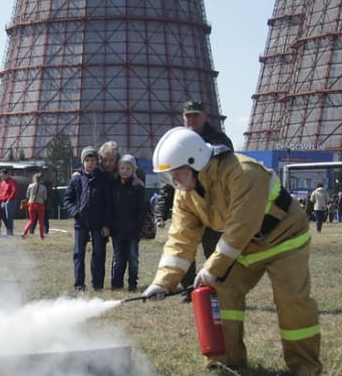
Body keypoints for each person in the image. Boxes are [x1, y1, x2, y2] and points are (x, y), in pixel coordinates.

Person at [142, 127, 322, 376]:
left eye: (177, 174)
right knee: (220, 294)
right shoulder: (185, 194)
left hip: (284, 239)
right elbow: (181, 238)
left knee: (291, 301)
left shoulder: (244, 173)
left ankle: (306, 368)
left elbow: (240, 227)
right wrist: (163, 282)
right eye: (169, 177)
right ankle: (227, 361)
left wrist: (212, 268)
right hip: (243, 247)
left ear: (195, 163)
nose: (175, 182)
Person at [155, 100, 234, 302]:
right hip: (188, 206)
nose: (191, 119)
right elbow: (169, 181)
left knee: (214, 251)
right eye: (188, 116)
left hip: (213, 208)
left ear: (204, 117)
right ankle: (189, 289)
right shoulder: (176, 142)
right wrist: (160, 211)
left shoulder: (219, 140)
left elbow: (226, 174)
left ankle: (217, 291)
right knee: (183, 248)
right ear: (183, 118)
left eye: (196, 115)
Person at [63, 146, 113, 291]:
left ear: (97, 162)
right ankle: (79, 285)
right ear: (83, 162)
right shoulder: (76, 179)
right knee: (79, 254)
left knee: (99, 253)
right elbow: (67, 200)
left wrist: (106, 224)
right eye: (87, 160)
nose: (90, 163)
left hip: (98, 223)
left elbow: (108, 204)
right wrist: (76, 212)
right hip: (81, 222)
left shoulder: (103, 180)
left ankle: (98, 284)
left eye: (93, 160)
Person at [110, 154, 148, 291]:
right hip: (117, 231)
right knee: (118, 258)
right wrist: (111, 226)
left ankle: (132, 284)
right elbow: (110, 208)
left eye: (128, 168)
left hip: (133, 231)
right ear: (118, 169)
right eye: (122, 168)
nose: (124, 171)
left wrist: (137, 227)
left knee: (133, 258)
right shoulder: (113, 186)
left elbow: (142, 210)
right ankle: (116, 284)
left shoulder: (138, 188)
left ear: (133, 170)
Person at [21, 172, 48, 239]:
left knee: (31, 220)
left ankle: (24, 232)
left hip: (31, 204)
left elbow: (27, 195)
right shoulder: (43, 187)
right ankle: (41, 236)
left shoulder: (30, 186)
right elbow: (45, 197)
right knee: (41, 221)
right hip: (40, 204)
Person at [0, 167, 19, 236]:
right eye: (1, 176)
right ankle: (8, 229)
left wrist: (9, 199)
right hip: (3, 202)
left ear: (7, 175)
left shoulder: (12, 182)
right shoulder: (2, 183)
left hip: (10, 201)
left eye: (3, 176)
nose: (2, 177)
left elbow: (14, 191)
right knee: (3, 216)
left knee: (9, 216)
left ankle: (10, 231)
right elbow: (1, 193)